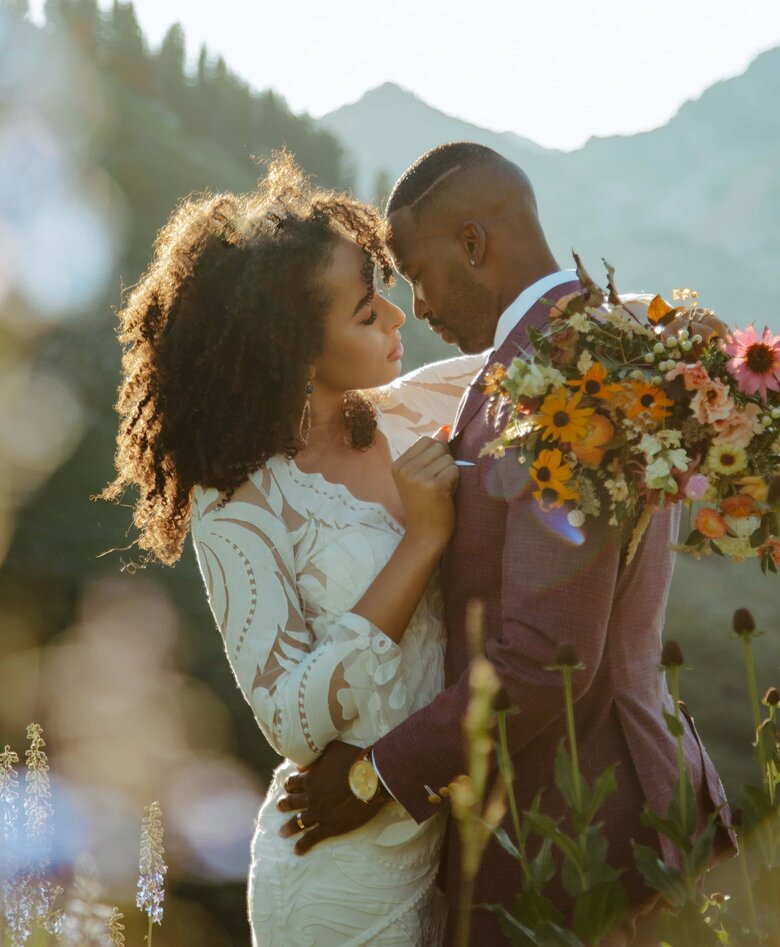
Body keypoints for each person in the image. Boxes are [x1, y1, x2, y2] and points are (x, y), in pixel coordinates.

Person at [278, 142, 737, 944]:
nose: (416, 309)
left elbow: (544, 652)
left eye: (417, 275)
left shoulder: (563, 373)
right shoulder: (580, 343)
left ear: (474, 245)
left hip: (579, 825)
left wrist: (376, 773)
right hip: (591, 801)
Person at [101, 152, 486, 944]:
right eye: (366, 309)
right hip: (334, 881)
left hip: (438, 854)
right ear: (296, 352)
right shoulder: (239, 505)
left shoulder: (412, 411)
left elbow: (550, 362)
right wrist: (421, 542)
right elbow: (292, 722)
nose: (397, 318)